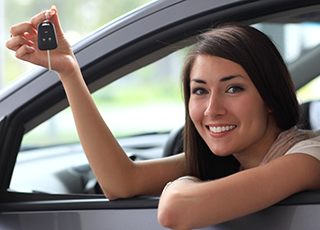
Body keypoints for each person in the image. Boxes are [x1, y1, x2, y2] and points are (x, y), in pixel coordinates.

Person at [6, 6, 320, 230]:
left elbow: (176, 211)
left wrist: (187, 181)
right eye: (199, 91)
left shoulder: (308, 157)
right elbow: (120, 183)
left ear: (270, 97)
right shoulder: (232, 158)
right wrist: (69, 71)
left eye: (234, 88)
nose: (212, 109)